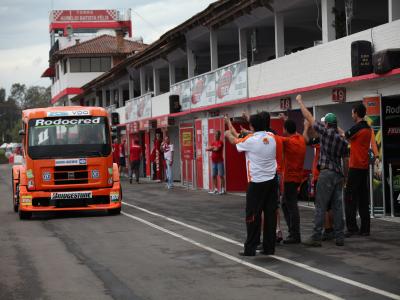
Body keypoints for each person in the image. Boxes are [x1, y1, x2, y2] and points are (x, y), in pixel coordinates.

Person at [296, 94, 348, 247]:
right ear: (336, 125)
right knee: (338, 207)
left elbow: (309, 117)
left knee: (321, 206)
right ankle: (339, 237)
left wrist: (300, 101)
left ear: (327, 125)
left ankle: (316, 237)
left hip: (325, 174)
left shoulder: (324, 134)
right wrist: (346, 176)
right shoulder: (343, 141)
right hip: (338, 175)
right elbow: (346, 160)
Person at [225, 113, 278, 256]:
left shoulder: (250, 140)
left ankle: (250, 248)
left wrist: (227, 133)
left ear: (252, 126)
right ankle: (269, 247)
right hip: (272, 181)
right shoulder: (272, 137)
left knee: (252, 216)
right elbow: (257, 134)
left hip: (256, 182)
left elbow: (235, 141)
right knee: (270, 215)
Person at [342, 103, 373, 237]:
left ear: (356, 113)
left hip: (355, 167)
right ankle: (365, 229)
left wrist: (339, 130)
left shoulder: (357, 128)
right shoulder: (368, 128)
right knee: (363, 198)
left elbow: (345, 135)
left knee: (349, 197)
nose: (352, 115)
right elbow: (352, 140)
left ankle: (352, 227)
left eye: (352, 112)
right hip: (364, 167)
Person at [303, 119, 334, 241]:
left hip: (320, 175)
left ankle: (326, 230)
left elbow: (306, 140)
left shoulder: (321, 139)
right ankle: (331, 228)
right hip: (331, 173)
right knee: (330, 205)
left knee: (322, 205)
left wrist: (306, 127)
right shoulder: (334, 137)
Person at [280, 119, 307, 244]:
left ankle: (295, 234)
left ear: (286, 129)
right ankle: (293, 232)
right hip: (297, 177)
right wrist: (286, 120)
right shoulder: (300, 139)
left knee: (291, 206)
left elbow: (274, 138)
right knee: (286, 203)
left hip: (290, 178)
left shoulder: (288, 141)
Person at [206, 130, 226, 195]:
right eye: (215, 134)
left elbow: (217, 149)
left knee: (221, 175)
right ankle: (216, 189)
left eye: (217, 134)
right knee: (214, 175)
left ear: (219, 135)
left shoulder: (221, 142)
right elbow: (207, 149)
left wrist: (212, 148)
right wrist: (213, 147)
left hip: (220, 161)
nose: (216, 135)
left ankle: (223, 189)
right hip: (214, 162)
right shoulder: (213, 142)